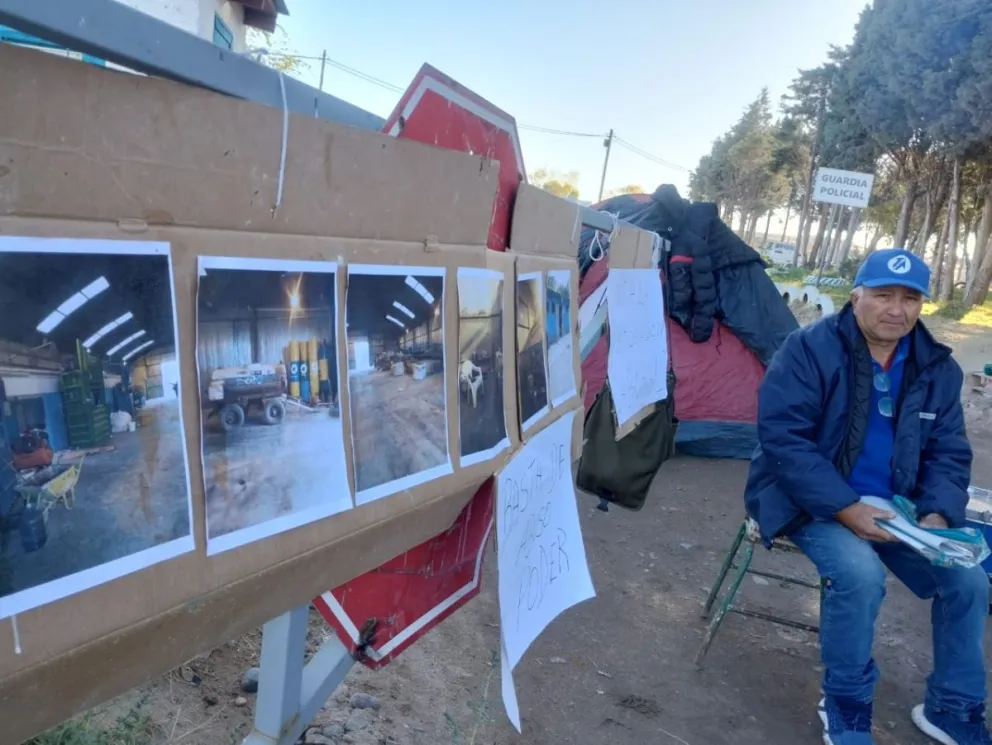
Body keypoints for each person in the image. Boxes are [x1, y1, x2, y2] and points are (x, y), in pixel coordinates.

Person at [744, 248, 990, 745]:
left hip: (902, 508)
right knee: (859, 575)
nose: (896, 310)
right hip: (809, 501)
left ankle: (952, 706)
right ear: (856, 297)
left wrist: (938, 515)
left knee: (969, 580)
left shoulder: (936, 367)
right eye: (883, 295)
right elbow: (784, 440)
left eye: (910, 299)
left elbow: (948, 452)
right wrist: (847, 508)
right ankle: (846, 702)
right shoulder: (808, 349)